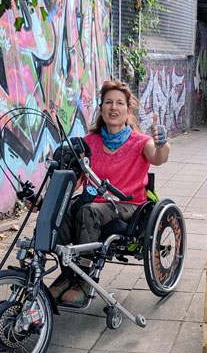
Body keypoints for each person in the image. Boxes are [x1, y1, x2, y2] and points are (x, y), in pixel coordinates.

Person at [50, 79, 169, 305]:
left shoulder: (141, 142)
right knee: (63, 211)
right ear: (102, 109)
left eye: (119, 103)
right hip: (93, 201)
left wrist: (162, 144)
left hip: (127, 205)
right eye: (108, 102)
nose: (113, 107)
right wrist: (49, 200)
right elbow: (75, 178)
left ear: (128, 110)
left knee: (87, 212)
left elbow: (158, 157)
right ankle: (67, 274)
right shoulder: (89, 142)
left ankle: (84, 279)